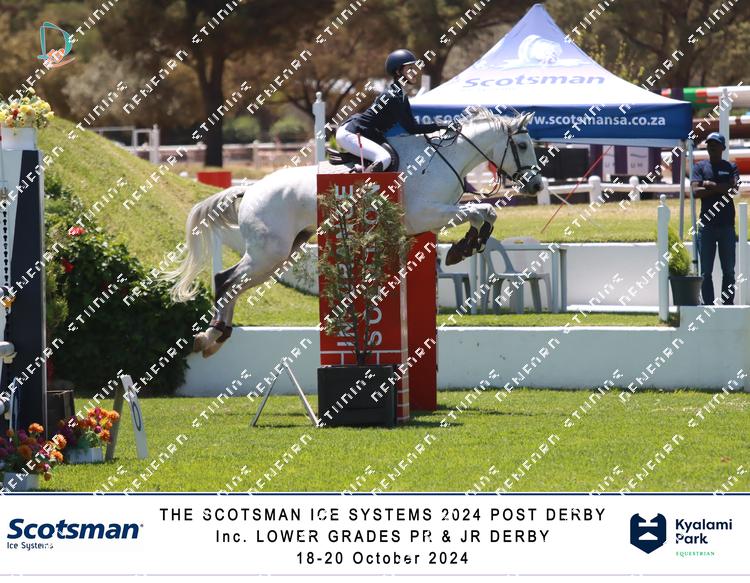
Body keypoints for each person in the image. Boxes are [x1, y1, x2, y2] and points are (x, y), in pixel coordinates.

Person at [335, 49, 452, 172]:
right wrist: (441, 125)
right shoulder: (393, 96)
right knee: (385, 158)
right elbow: (411, 128)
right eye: (410, 69)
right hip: (352, 133)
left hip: (366, 132)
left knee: (393, 158)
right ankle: (362, 182)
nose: (415, 72)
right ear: (398, 72)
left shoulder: (401, 96)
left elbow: (413, 127)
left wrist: (441, 125)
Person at [690, 132, 741, 305]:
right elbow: (695, 192)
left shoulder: (731, 167)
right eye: (709, 144)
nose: (711, 146)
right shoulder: (700, 167)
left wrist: (710, 185)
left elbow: (733, 190)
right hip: (707, 226)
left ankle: (728, 305)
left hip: (727, 226)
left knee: (729, 271)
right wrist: (722, 188)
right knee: (706, 271)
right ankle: (708, 305)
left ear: (723, 148)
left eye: (715, 144)